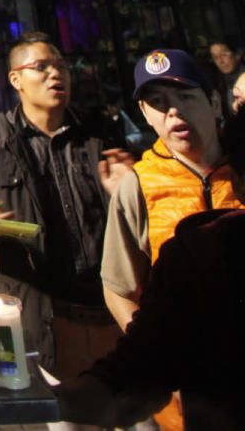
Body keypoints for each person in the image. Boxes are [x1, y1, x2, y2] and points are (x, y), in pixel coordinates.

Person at [0, 32, 133, 386]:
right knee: (65, 416)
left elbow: (132, 213)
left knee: (133, 412)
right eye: (41, 67)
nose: (56, 75)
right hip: (44, 313)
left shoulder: (98, 134)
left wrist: (126, 191)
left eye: (61, 67)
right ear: (15, 80)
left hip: (108, 305)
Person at [56, 104, 245, 430]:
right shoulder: (203, 249)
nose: (173, 110)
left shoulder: (202, 247)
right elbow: (140, 363)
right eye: (157, 101)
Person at [101, 48, 243, 431]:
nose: (173, 112)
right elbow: (119, 289)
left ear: (213, 99)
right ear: (145, 115)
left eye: (184, 96)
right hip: (191, 397)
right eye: (157, 103)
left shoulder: (242, 165)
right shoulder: (139, 187)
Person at [207, 40, 244, 113]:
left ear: (237, 55)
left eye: (224, 55)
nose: (221, 61)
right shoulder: (218, 83)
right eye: (215, 57)